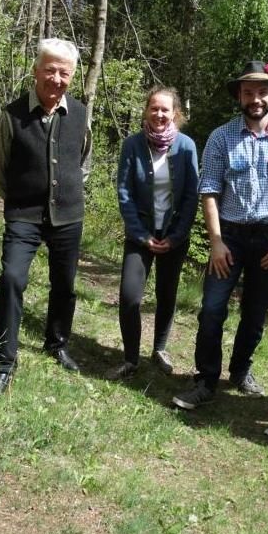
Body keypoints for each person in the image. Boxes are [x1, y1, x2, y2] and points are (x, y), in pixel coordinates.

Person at [172, 61, 268, 410]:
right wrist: (216, 242)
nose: (255, 99)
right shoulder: (222, 138)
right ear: (239, 95)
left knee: (255, 313)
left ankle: (240, 370)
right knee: (211, 310)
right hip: (230, 238)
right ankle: (206, 380)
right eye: (248, 92)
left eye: (262, 92)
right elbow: (209, 191)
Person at [0, 38, 92, 395]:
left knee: (65, 285)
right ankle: (4, 360)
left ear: (72, 76)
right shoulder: (12, 115)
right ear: (36, 70)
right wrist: (18, 200)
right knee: (12, 279)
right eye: (50, 69)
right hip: (24, 215)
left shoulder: (79, 112)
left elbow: (83, 160)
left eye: (64, 72)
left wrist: (69, 191)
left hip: (68, 216)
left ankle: (57, 343)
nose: (56, 78)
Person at [107, 87, 199, 380]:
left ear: (175, 114)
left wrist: (177, 235)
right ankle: (130, 359)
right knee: (130, 296)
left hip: (174, 236)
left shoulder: (186, 147)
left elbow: (191, 196)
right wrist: (140, 233)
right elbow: (124, 192)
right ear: (146, 110)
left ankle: (159, 348)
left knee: (166, 294)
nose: (159, 114)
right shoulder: (133, 145)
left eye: (165, 110)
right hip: (140, 235)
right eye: (154, 108)